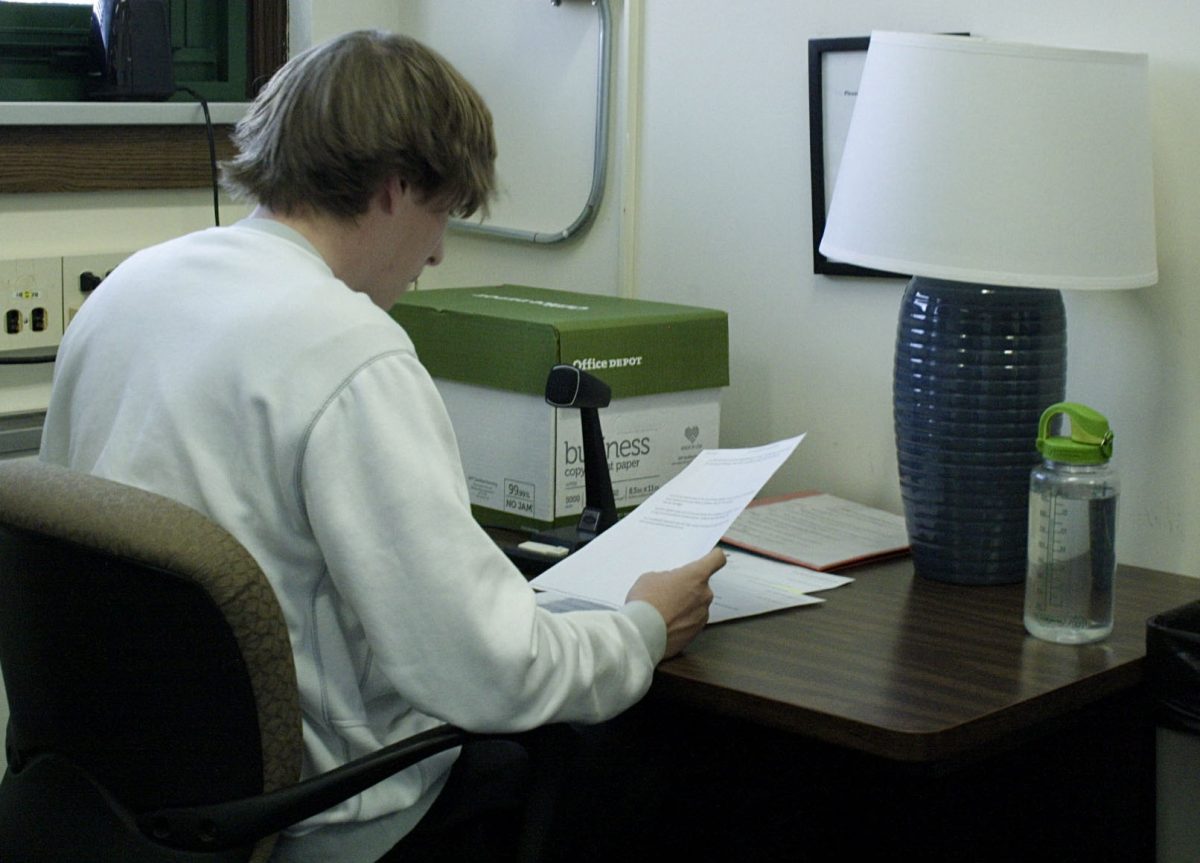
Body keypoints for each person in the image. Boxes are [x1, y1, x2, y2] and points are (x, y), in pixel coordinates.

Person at [39, 29, 724, 863]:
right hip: (319, 814)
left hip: (124, 798)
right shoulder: (350, 348)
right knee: (629, 753)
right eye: (443, 214)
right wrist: (645, 626)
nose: (437, 252)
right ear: (397, 187)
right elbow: (492, 672)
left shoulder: (129, 291)